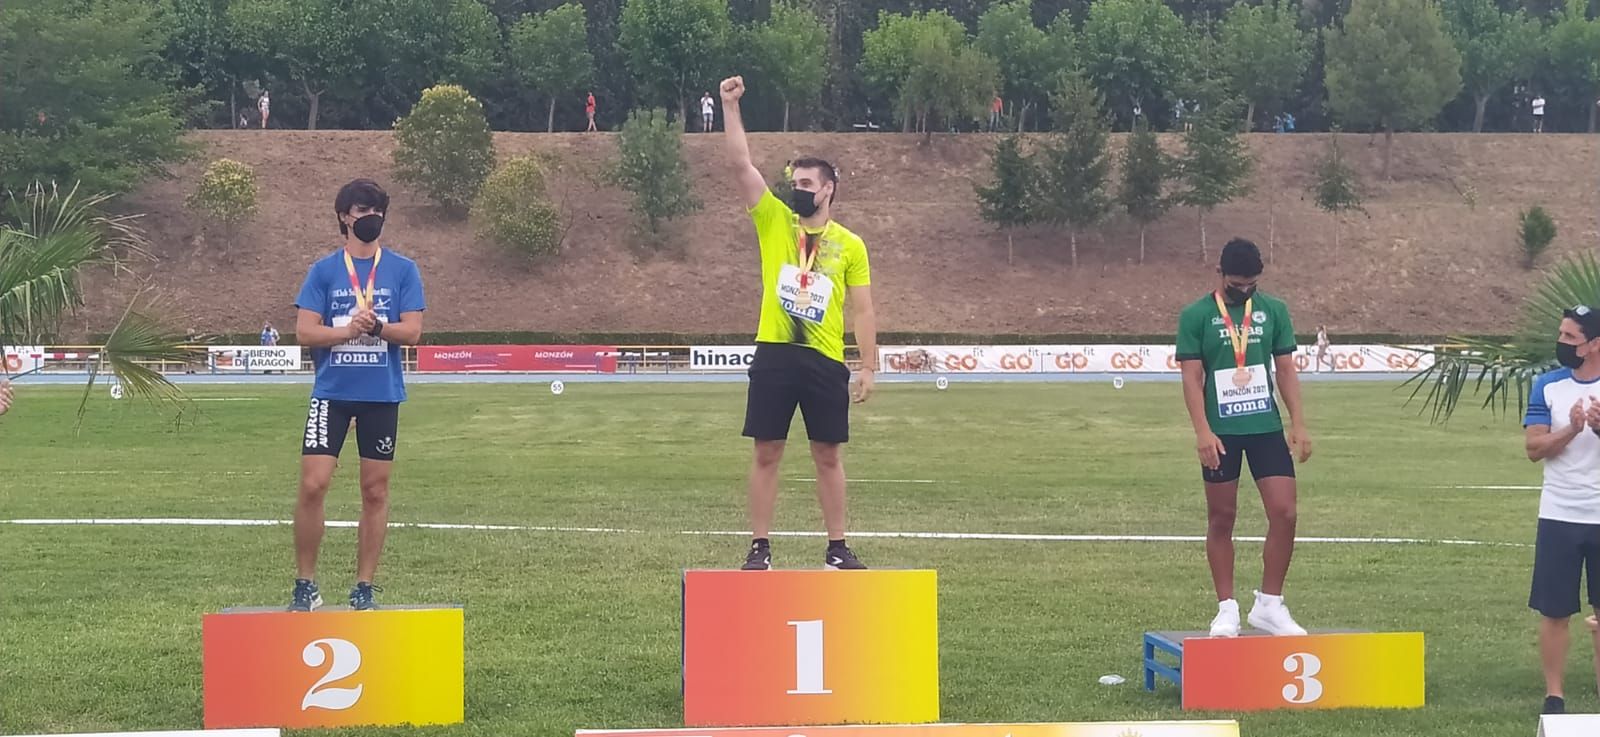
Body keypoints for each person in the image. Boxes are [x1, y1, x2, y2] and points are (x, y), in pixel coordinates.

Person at [719, 74, 879, 571]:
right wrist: (730, 107)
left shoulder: (850, 244)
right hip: (774, 353)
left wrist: (868, 365)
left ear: (829, 189)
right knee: (767, 450)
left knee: (827, 453)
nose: (798, 190)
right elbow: (741, 163)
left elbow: (864, 307)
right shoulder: (773, 220)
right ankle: (760, 547)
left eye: (807, 184)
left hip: (825, 359)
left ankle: (836, 547)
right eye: (795, 183)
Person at [289, 179, 426, 611]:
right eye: (362, 209)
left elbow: (414, 332)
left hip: (381, 395)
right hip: (332, 392)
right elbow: (304, 332)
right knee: (313, 485)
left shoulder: (403, 270)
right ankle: (305, 584)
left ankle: (364, 587)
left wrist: (379, 328)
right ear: (344, 216)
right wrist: (347, 330)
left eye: (377, 210)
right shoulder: (325, 271)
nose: (371, 217)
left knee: (375, 491)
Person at [1177, 238, 1313, 637]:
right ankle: (1226, 609)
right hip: (1221, 433)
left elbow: (1285, 370)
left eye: (1252, 285)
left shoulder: (1274, 311)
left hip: (1265, 428)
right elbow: (1191, 376)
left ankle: (1270, 605)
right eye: (1237, 285)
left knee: (1285, 513)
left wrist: (1298, 423)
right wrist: (1202, 431)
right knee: (1222, 518)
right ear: (1219, 275)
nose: (1245, 291)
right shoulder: (1196, 316)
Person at [1522, 305, 1600, 715]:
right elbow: (1534, 449)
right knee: (1555, 611)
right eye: (1561, 335)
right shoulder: (1548, 386)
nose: (1562, 344)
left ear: (1594, 345)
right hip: (1559, 515)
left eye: (1571, 338)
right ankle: (1554, 696)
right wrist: (1571, 429)